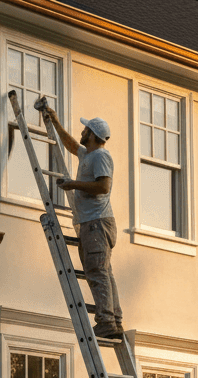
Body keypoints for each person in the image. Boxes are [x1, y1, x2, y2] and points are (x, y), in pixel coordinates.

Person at [40, 105, 123, 340]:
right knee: (103, 271)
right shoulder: (89, 154)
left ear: (93, 135)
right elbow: (70, 145)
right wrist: (55, 121)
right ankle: (113, 320)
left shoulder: (101, 156)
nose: (82, 132)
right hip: (92, 222)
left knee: (97, 271)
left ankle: (107, 320)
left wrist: (73, 184)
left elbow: (103, 186)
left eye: (86, 129)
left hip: (96, 223)